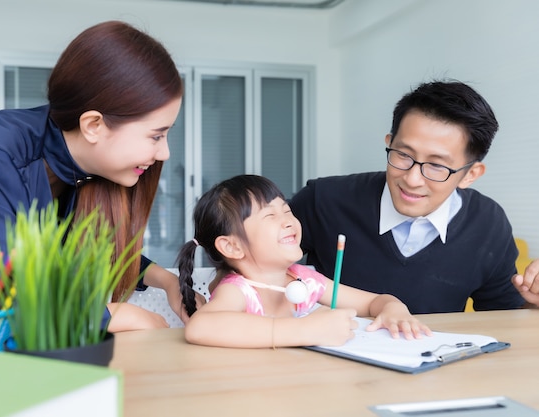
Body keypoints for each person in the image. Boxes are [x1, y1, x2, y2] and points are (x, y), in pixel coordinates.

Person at [0, 20, 204, 340]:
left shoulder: (82, 166)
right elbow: (1, 289)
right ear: (94, 125)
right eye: (156, 135)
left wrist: (167, 281)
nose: (164, 153)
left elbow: (91, 245)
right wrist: (109, 314)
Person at [289, 79, 539, 314]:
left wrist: (534, 302)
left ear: (470, 174)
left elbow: (503, 318)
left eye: (437, 166)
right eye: (403, 155)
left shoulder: (488, 223)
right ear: (389, 142)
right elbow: (253, 264)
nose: (412, 179)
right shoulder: (323, 199)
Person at [177, 174, 431, 348]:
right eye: (270, 216)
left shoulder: (303, 280)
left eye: (286, 210)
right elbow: (200, 327)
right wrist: (305, 331)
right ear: (232, 246)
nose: (288, 220)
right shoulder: (238, 291)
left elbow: (374, 301)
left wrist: (394, 310)